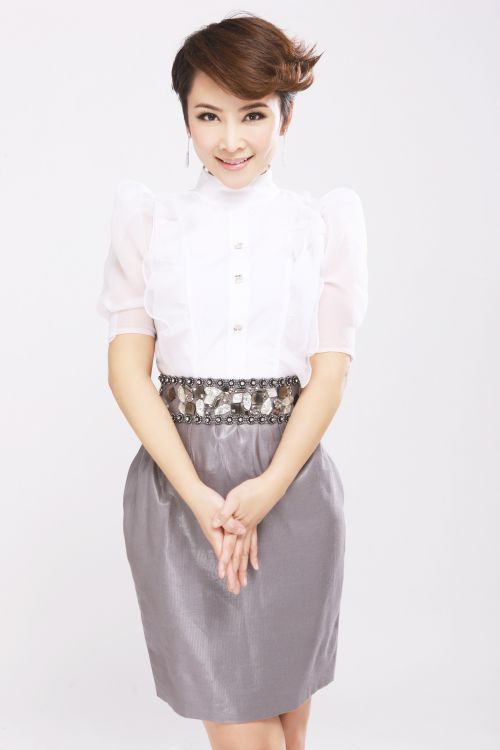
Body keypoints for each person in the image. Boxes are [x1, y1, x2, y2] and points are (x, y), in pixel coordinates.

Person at [96, 12, 368, 750]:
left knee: (287, 731)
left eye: (253, 114)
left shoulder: (323, 224)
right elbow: (127, 373)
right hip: (181, 491)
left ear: (286, 115)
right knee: (247, 732)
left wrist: (268, 489)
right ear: (184, 118)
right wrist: (204, 501)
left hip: (293, 487)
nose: (230, 139)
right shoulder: (150, 224)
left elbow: (330, 376)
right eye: (208, 115)